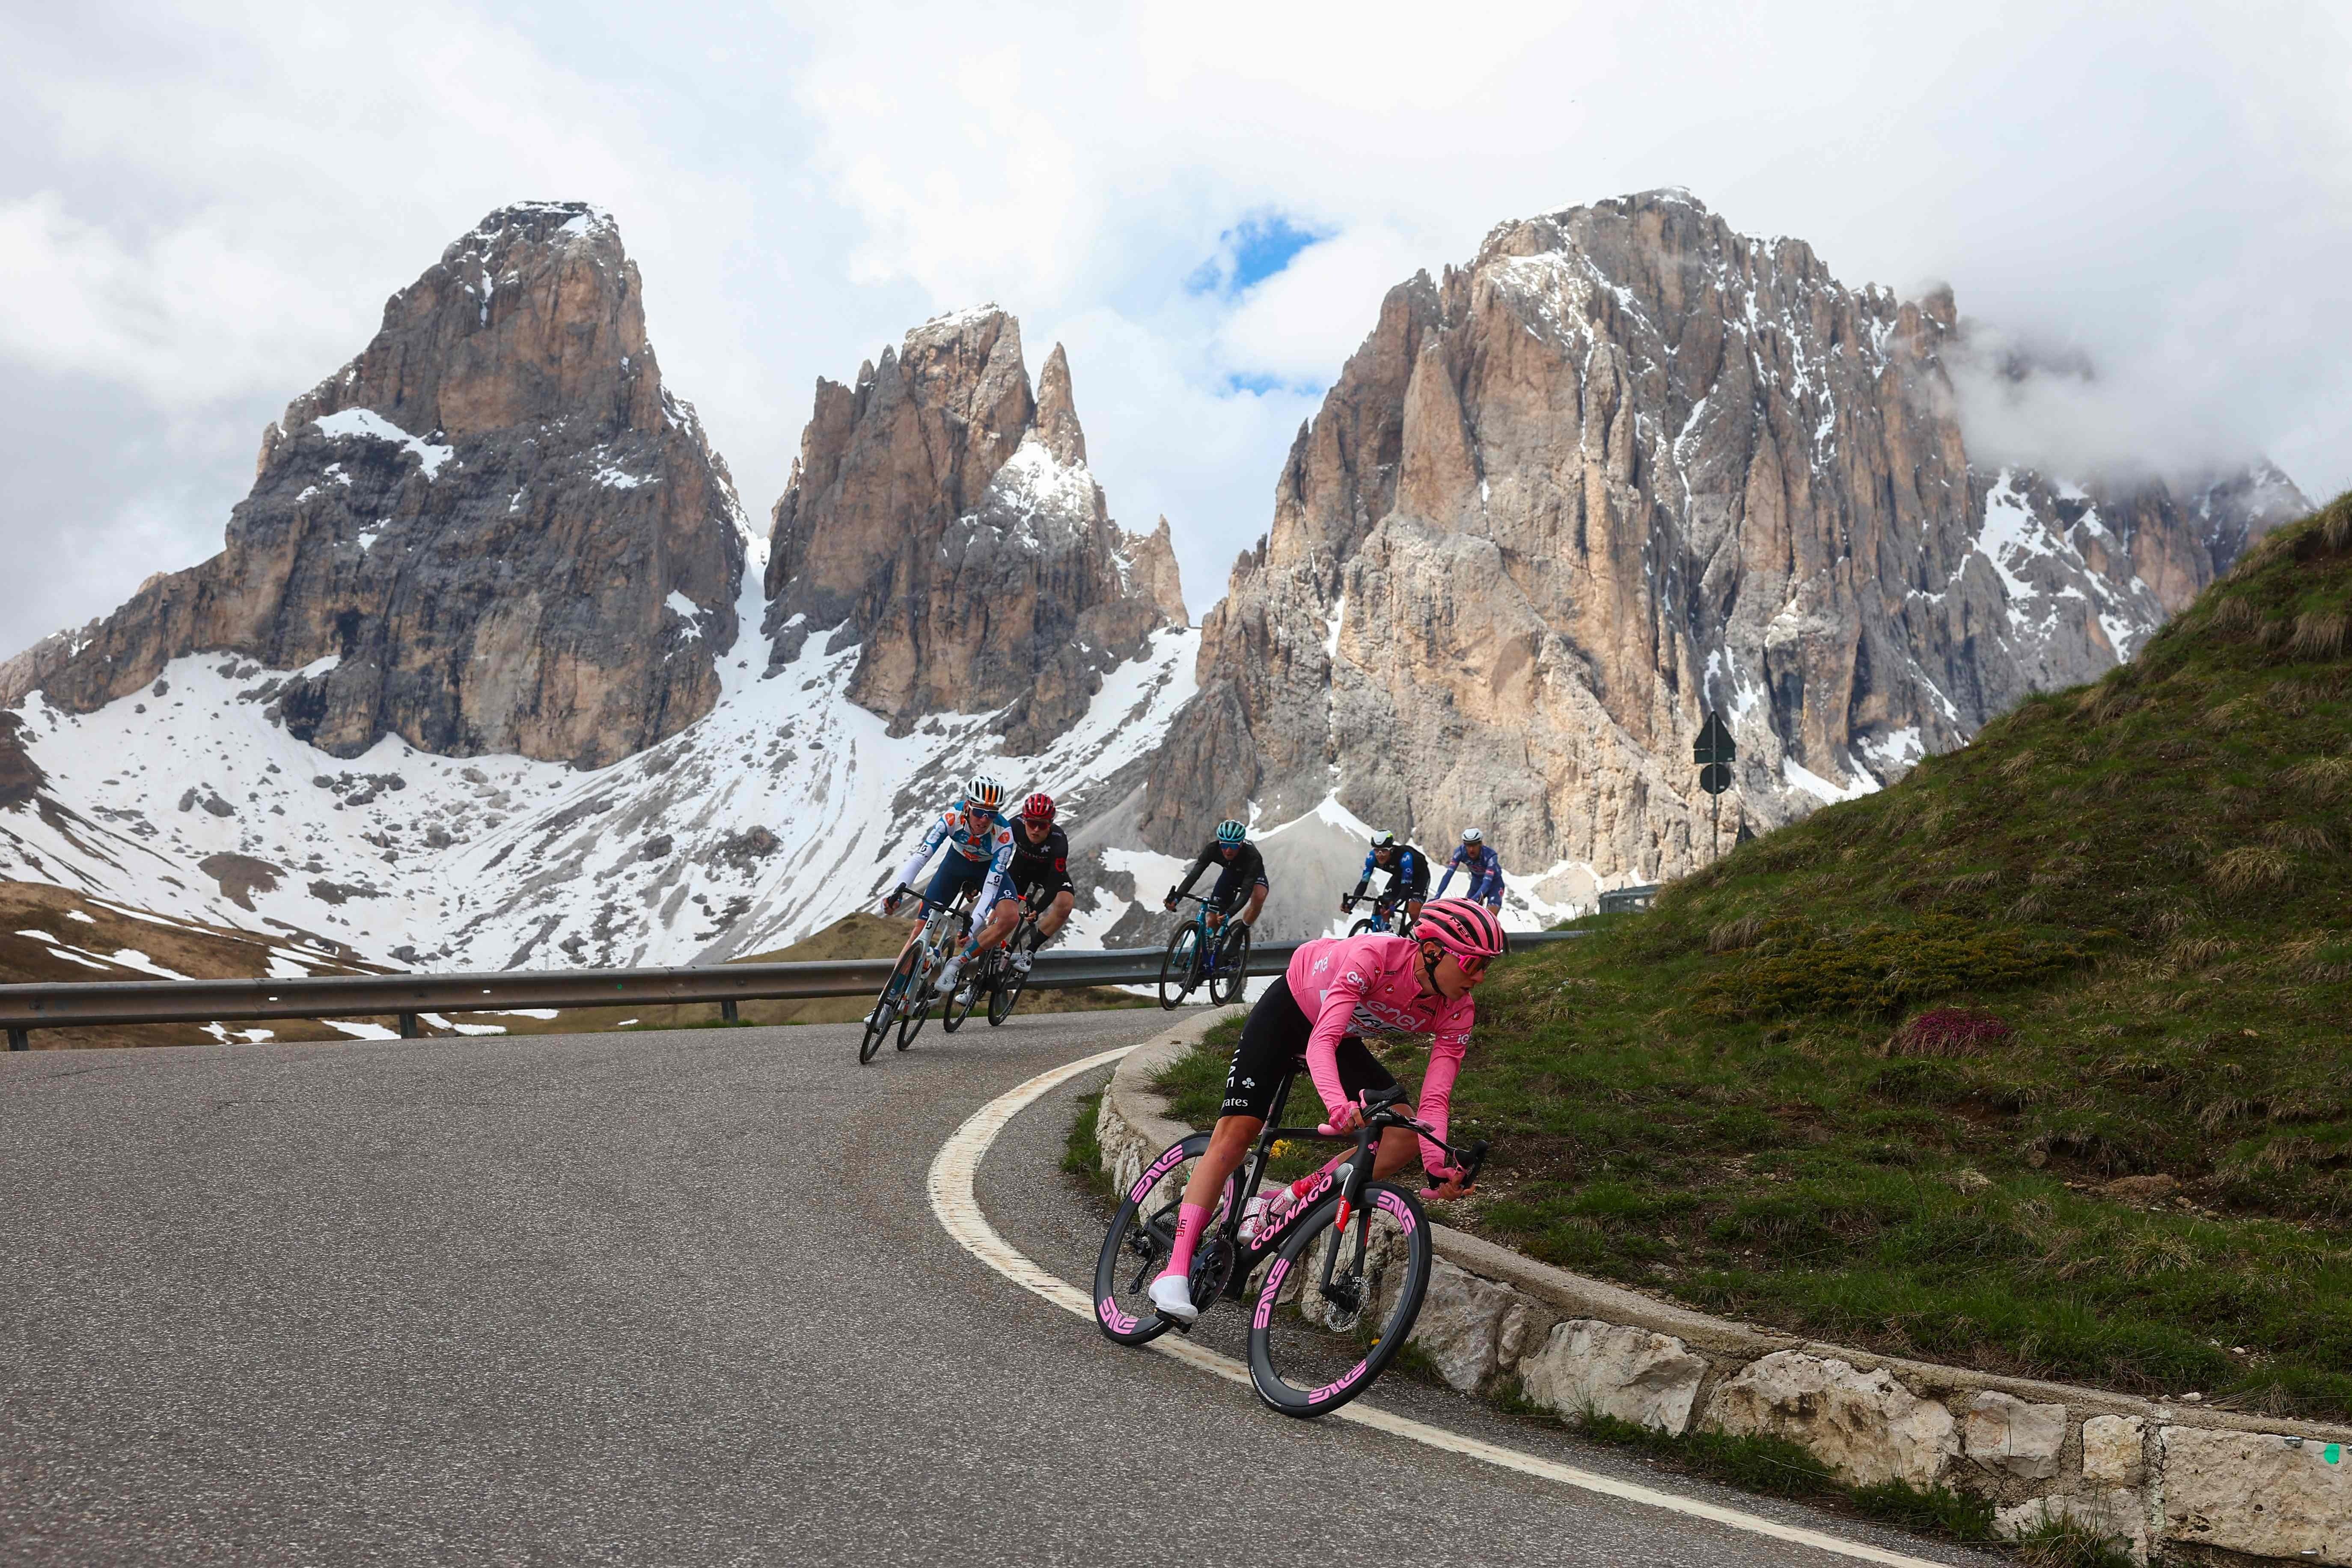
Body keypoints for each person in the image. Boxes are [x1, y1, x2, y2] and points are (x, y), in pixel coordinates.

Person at [1145, 900, 1509, 1322]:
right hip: (1292, 1013)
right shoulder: (1374, 957)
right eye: (1471, 963)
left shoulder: (1458, 1010)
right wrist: (1338, 1107)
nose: (1479, 977)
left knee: (1404, 1133)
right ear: (1431, 951)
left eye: (1487, 966)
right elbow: (1322, 1040)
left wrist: (1437, 1168)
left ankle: (1283, 1200)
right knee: (1237, 1134)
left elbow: (1434, 1102)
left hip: (1342, 1036)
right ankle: (1173, 1271)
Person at [882, 774, 1016, 998]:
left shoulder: (1004, 836)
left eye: (991, 814)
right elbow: (920, 857)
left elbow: (990, 891)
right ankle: (889, 997)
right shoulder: (952, 818)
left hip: (986, 870)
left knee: (1010, 917)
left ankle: (957, 963)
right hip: (955, 865)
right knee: (919, 930)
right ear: (967, 807)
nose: (984, 819)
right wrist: (898, 891)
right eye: (979, 812)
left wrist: (971, 929)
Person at [967, 792, 1076, 976]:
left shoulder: (1059, 841)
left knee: (1065, 904)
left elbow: (1056, 882)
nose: (1035, 830)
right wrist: (977, 883)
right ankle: (981, 968)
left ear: (1050, 824)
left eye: (1042, 825)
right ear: (1024, 820)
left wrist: (1038, 909)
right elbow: (992, 855)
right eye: (1032, 823)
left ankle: (1030, 951)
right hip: (1021, 870)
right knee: (998, 914)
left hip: (1049, 874)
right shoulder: (1014, 826)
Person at [1163, 819, 1268, 937]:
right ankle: (1205, 952)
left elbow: (1246, 891)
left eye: (1233, 846)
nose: (1228, 850)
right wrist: (1177, 898)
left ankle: (1240, 934)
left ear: (1241, 844)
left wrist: (1230, 913)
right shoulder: (1212, 849)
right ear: (1219, 842)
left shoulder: (1253, 857)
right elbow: (1194, 875)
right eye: (1225, 845)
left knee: (1259, 896)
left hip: (1253, 874)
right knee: (1213, 921)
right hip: (1231, 874)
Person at [1343, 829, 1428, 929]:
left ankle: (1423, 937)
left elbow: (1406, 888)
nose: (1380, 855)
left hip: (1420, 877)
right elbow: (1364, 882)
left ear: (1391, 849)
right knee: (1385, 902)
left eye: (1384, 851)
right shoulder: (1371, 858)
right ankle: (1387, 932)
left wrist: (1394, 907)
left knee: (1413, 910)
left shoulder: (1405, 857)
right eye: (1376, 850)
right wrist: (1351, 904)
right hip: (1400, 875)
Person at [1434, 827, 1504, 913]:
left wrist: (1474, 900)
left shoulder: (1491, 856)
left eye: (1474, 845)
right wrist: (1437, 896)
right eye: (1468, 845)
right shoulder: (1460, 852)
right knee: (1466, 914)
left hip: (1495, 885)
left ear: (1481, 844)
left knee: (1490, 916)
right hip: (1476, 884)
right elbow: (1449, 874)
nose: (1471, 849)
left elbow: (1487, 883)